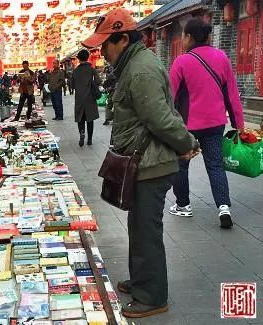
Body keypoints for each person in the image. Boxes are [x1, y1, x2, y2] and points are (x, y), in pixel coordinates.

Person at [82, 8, 200, 318]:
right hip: (141, 161)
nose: (102, 52)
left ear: (121, 39)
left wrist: (188, 143)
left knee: (146, 230)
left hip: (151, 163)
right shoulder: (132, 64)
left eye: (104, 45)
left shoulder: (140, 70)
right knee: (138, 227)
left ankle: (152, 295)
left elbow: (161, 118)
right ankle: (141, 281)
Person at [168, 18, 244, 228]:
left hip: (187, 127)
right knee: (215, 165)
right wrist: (238, 124)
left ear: (189, 37)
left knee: (181, 164)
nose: (182, 39)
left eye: (183, 35)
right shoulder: (221, 57)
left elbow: (170, 97)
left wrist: (166, 125)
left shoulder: (181, 62)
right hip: (215, 124)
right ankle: (223, 207)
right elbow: (231, 95)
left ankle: (183, 205)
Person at [72, 49, 101, 147]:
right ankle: (89, 139)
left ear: (79, 59)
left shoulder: (75, 71)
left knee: (80, 119)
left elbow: (71, 85)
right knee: (90, 119)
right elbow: (98, 81)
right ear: (87, 57)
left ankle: (82, 133)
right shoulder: (92, 69)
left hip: (79, 98)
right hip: (90, 98)